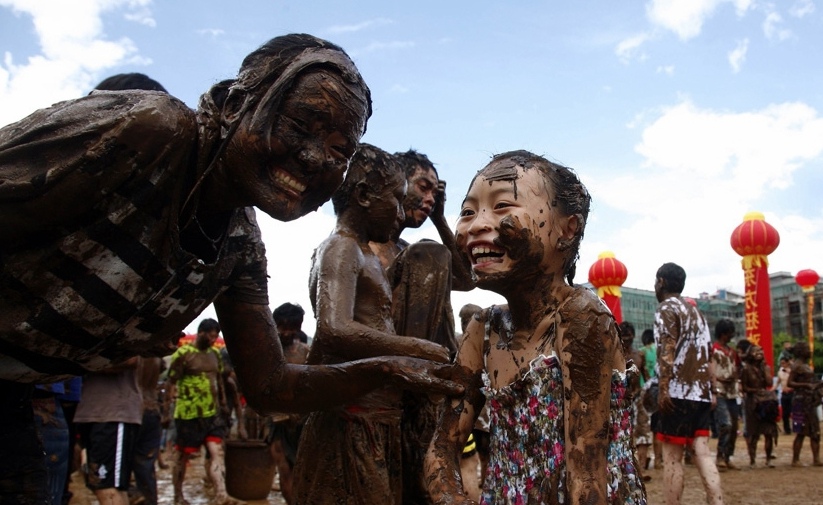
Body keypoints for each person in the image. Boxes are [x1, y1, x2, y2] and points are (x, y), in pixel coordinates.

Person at [0, 34, 460, 502]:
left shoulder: (239, 245)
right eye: (300, 123)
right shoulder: (152, 128)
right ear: (232, 103)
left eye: (340, 151)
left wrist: (389, 368)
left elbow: (270, 386)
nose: (314, 156)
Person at [425, 151, 646, 504]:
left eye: (501, 207)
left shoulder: (580, 316)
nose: (476, 224)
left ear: (566, 229)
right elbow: (443, 444)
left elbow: (586, 475)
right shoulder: (484, 327)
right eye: (467, 211)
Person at [292, 144, 451, 505]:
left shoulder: (368, 254)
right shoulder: (341, 248)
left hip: (376, 413)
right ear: (363, 196)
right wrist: (418, 349)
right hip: (355, 413)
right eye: (395, 200)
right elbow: (334, 328)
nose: (399, 211)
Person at [653, 262, 722, 505]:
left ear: (661, 282)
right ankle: (717, 501)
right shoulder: (697, 312)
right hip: (701, 394)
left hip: (677, 393)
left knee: (672, 458)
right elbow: (708, 355)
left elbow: (667, 349)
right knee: (702, 453)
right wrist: (712, 391)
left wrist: (663, 389)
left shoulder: (665, 309)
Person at [168, 319, 239, 505]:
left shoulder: (215, 354)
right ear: (201, 333)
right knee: (182, 456)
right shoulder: (183, 354)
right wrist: (166, 412)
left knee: (217, 451)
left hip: (212, 413)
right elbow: (171, 383)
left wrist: (223, 404)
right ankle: (178, 495)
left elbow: (219, 382)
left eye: (216, 336)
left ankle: (221, 494)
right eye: (211, 335)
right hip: (187, 413)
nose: (213, 339)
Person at [74, 357, 143, 505]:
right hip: (94, 412)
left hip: (112, 413)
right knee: (104, 485)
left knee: (107, 487)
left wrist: (81, 360)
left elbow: (131, 359)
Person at [267, 303, 311, 504]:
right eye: (282, 326)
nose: (286, 332)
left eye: (291, 327)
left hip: (303, 422)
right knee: (284, 470)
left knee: (304, 472)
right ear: (274, 325)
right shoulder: (266, 354)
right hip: (277, 423)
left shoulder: (307, 352)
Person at [619, 321, 652, 482]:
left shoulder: (640, 355)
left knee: (643, 432)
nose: (627, 339)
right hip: (620, 400)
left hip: (638, 398)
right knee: (624, 434)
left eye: (629, 336)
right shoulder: (614, 355)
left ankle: (641, 468)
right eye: (624, 336)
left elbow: (647, 378)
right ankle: (628, 468)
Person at [740, 345, 778, 467]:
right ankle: (752, 460)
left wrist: (766, 370)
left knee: (769, 432)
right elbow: (744, 387)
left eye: (761, 351)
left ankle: (768, 459)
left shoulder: (765, 368)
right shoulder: (746, 369)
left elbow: (769, 383)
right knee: (753, 433)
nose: (759, 353)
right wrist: (755, 391)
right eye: (756, 352)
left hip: (765, 402)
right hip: (752, 402)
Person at [711, 319, 741, 470]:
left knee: (734, 425)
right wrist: (720, 379)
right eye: (730, 333)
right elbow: (708, 371)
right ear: (723, 334)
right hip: (719, 391)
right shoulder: (713, 350)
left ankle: (728, 456)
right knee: (726, 424)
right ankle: (720, 455)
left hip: (732, 392)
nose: (732, 336)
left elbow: (737, 368)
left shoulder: (732, 352)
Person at [787, 341, 823, 467]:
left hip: (810, 400)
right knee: (801, 431)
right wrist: (805, 385)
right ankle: (795, 459)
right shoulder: (796, 366)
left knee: (814, 430)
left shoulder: (806, 365)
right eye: (807, 349)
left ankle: (816, 458)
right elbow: (790, 383)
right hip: (800, 400)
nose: (810, 351)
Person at [777, 356, 794, 435]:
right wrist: (772, 389)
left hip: (791, 392)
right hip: (784, 393)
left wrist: (788, 371)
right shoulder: (780, 372)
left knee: (793, 411)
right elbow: (777, 382)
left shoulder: (792, 371)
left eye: (783, 363)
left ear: (787, 363)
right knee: (785, 413)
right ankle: (787, 429)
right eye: (781, 363)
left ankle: (796, 427)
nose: (782, 364)